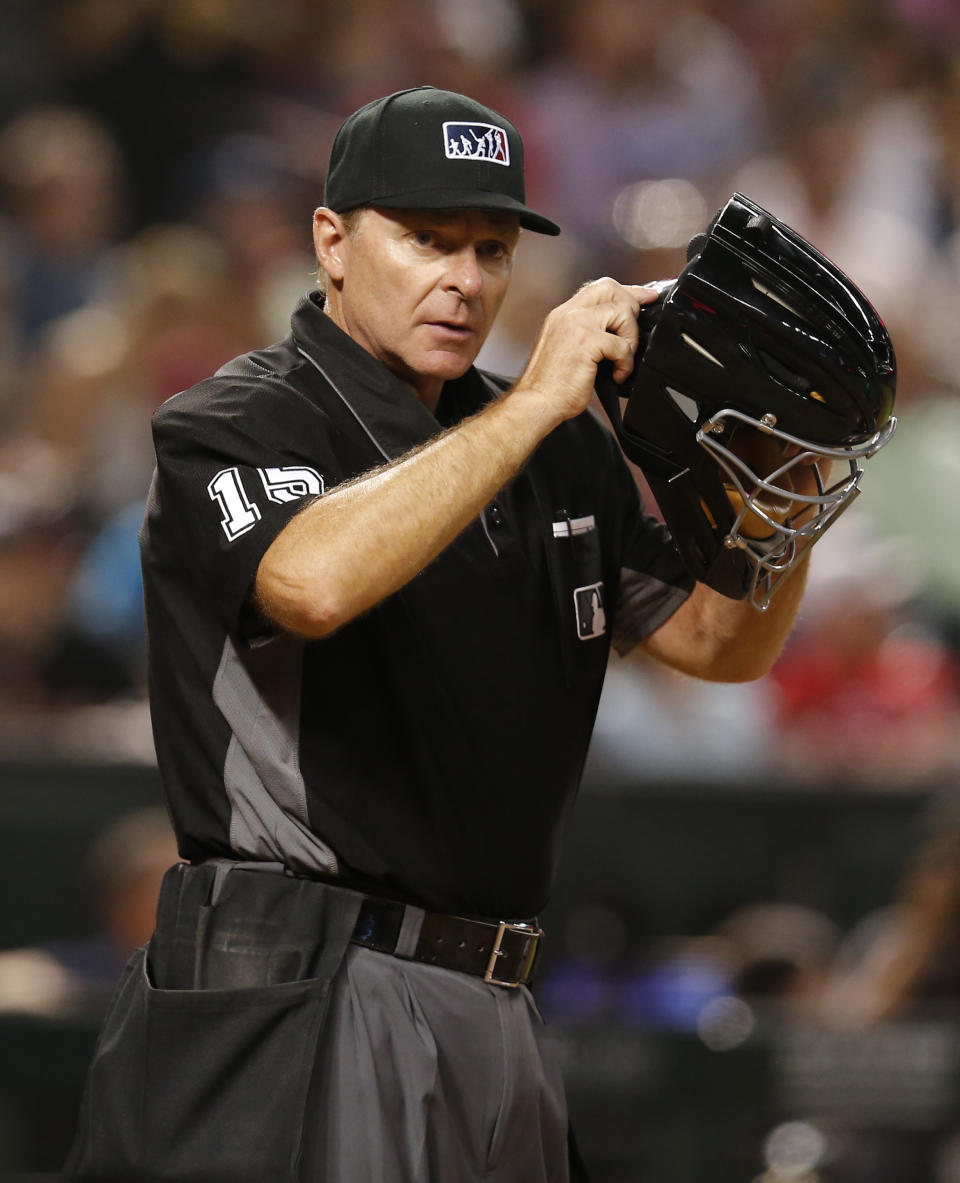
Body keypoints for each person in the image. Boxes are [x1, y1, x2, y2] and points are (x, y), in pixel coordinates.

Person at [66, 86, 820, 1183]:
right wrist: (531, 409)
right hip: (305, 982)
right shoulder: (241, 417)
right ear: (332, 240)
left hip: (500, 991)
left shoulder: (556, 445)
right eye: (426, 240)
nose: (464, 281)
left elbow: (719, 643)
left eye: (490, 248)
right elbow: (311, 583)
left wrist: (780, 497)